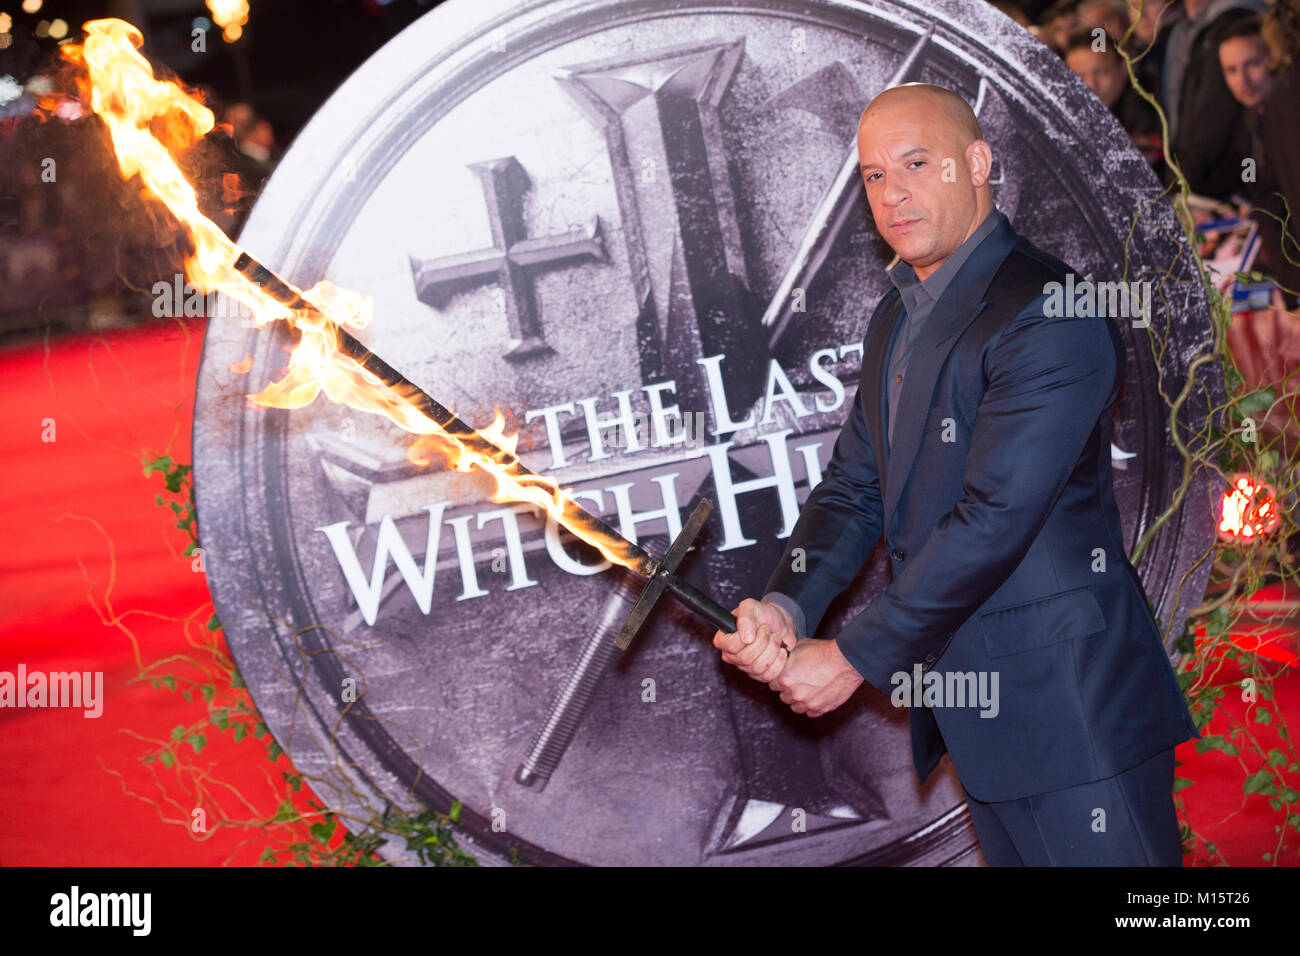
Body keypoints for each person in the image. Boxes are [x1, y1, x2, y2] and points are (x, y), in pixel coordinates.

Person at [712, 83, 1200, 866]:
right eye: (873, 175)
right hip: (985, 722)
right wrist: (787, 604)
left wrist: (850, 660)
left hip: (1073, 719)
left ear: (977, 163)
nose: (892, 192)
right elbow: (854, 487)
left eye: (915, 162)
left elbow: (994, 517)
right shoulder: (897, 315)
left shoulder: (1050, 311)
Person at [1163, 0, 1269, 202]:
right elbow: (1256, 184)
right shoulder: (1249, 124)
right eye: (1231, 70)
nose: (1243, 80)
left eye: (1253, 64)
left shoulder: (1231, 19)